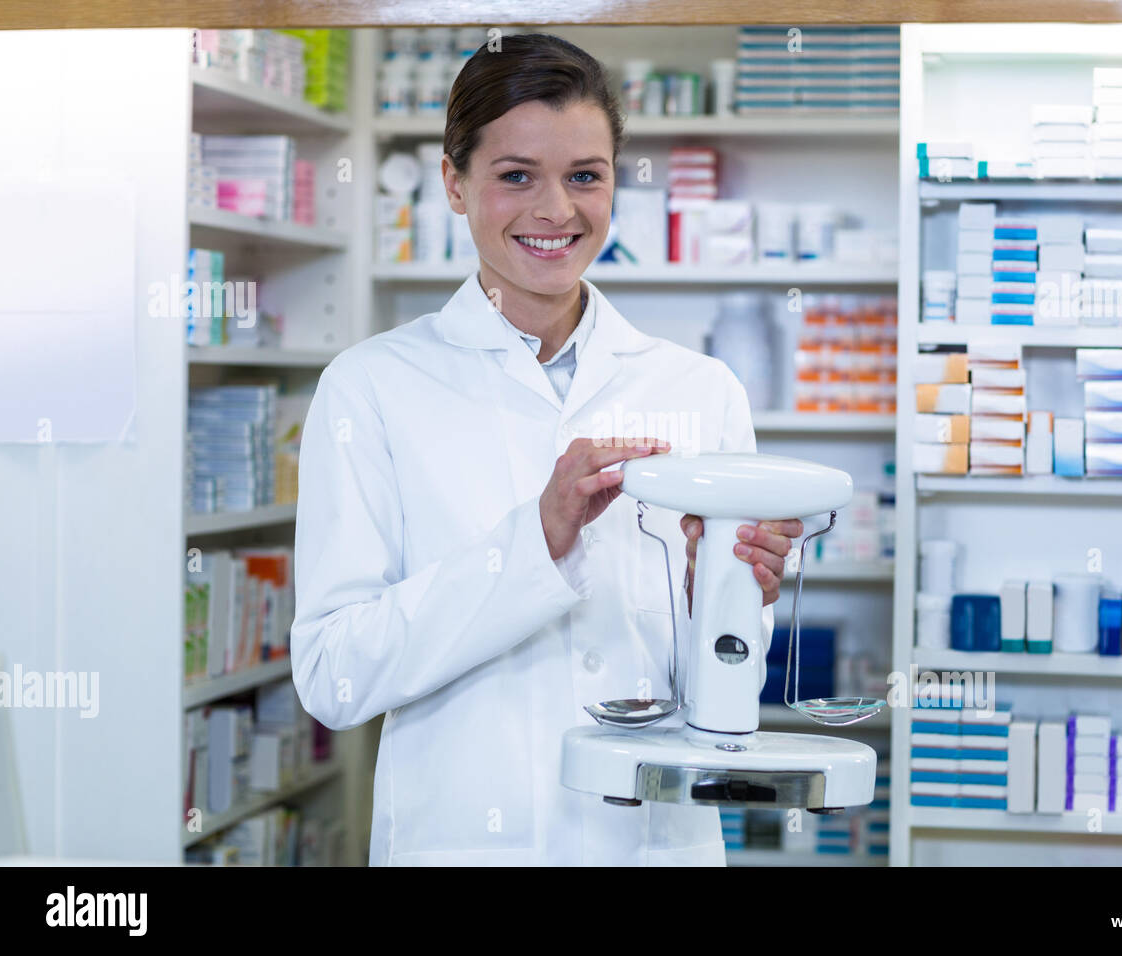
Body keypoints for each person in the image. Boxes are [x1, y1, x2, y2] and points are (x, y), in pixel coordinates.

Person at [290, 32, 802, 866]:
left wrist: (725, 590)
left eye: (585, 176)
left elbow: (724, 693)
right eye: (516, 175)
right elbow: (333, 677)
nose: (556, 210)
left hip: (651, 841)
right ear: (454, 183)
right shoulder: (370, 388)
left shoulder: (700, 390)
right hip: (462, 841)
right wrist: (538, 538)